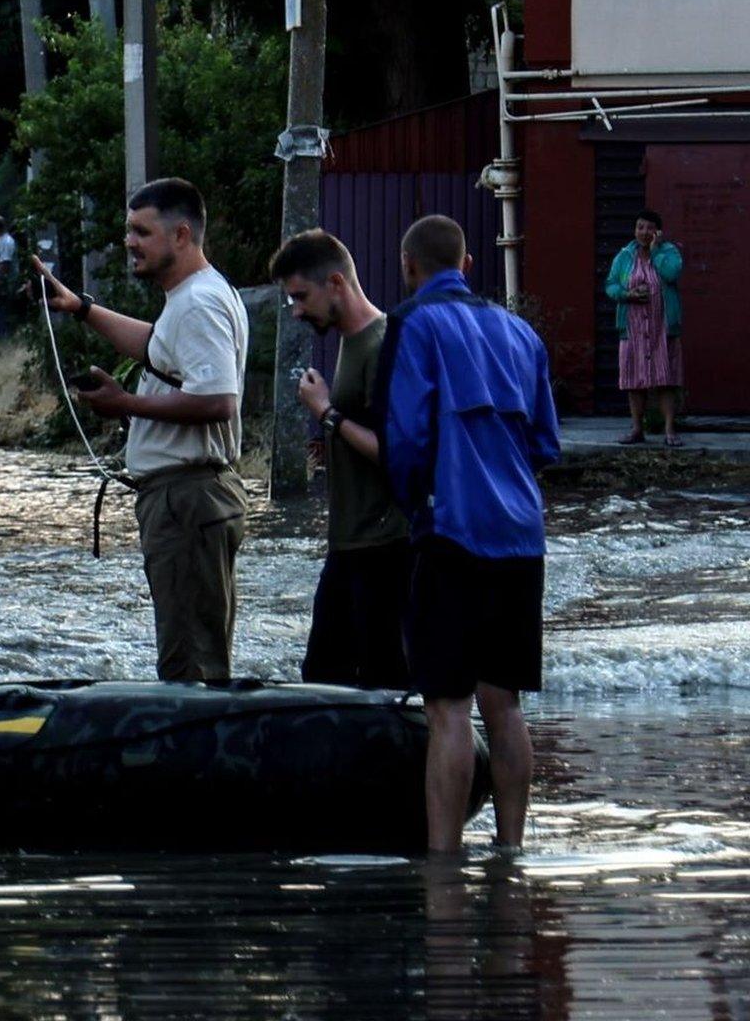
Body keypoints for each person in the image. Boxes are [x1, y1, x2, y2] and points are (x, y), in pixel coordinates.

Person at [374, 213, 560, 856]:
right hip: (521, 535)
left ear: (408, 266)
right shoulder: (522, 333)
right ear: (469, 265)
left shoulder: (412, 324)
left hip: (451, 530)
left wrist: (412, 507)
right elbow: (544, 443)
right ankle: (511, 849)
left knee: (448, 708)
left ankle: (444, 861)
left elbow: (405, 439)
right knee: (503, 703)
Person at [30, 178, 249, 682]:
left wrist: (125, 402)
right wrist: (81, 308)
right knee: (192, 653)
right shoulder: (194, 296)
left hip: (188, 499)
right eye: (129, 231)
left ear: (181, 235)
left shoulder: (199, 304)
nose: (130, 242)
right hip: (189, 498)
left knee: (189, 665)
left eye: (141, 232)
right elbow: (156, 346)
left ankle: (193, 759)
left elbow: (218, 401)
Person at [269, 229, 412, 689]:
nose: (296, 310)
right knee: (322, 676)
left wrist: (326, 413)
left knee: (383, 680)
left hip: (386, 546)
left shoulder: (383, 343)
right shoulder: (351, 342)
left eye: (300, 296)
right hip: (350, 544)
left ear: (335, 283)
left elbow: (396, 454)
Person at [605, 208, 685, 446]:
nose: (644, 232)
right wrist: (627, 293)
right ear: (635, 230)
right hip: (632, 329)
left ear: (658, 232)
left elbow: (671, 274)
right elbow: (610, 285)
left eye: (650, 228)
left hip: (663, 327)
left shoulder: (669, 252)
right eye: (640, 227)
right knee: (633, 380)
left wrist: (655, 251)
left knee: (666, 378)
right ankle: (637, 429)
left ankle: (670, 430)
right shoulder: (624, 256)